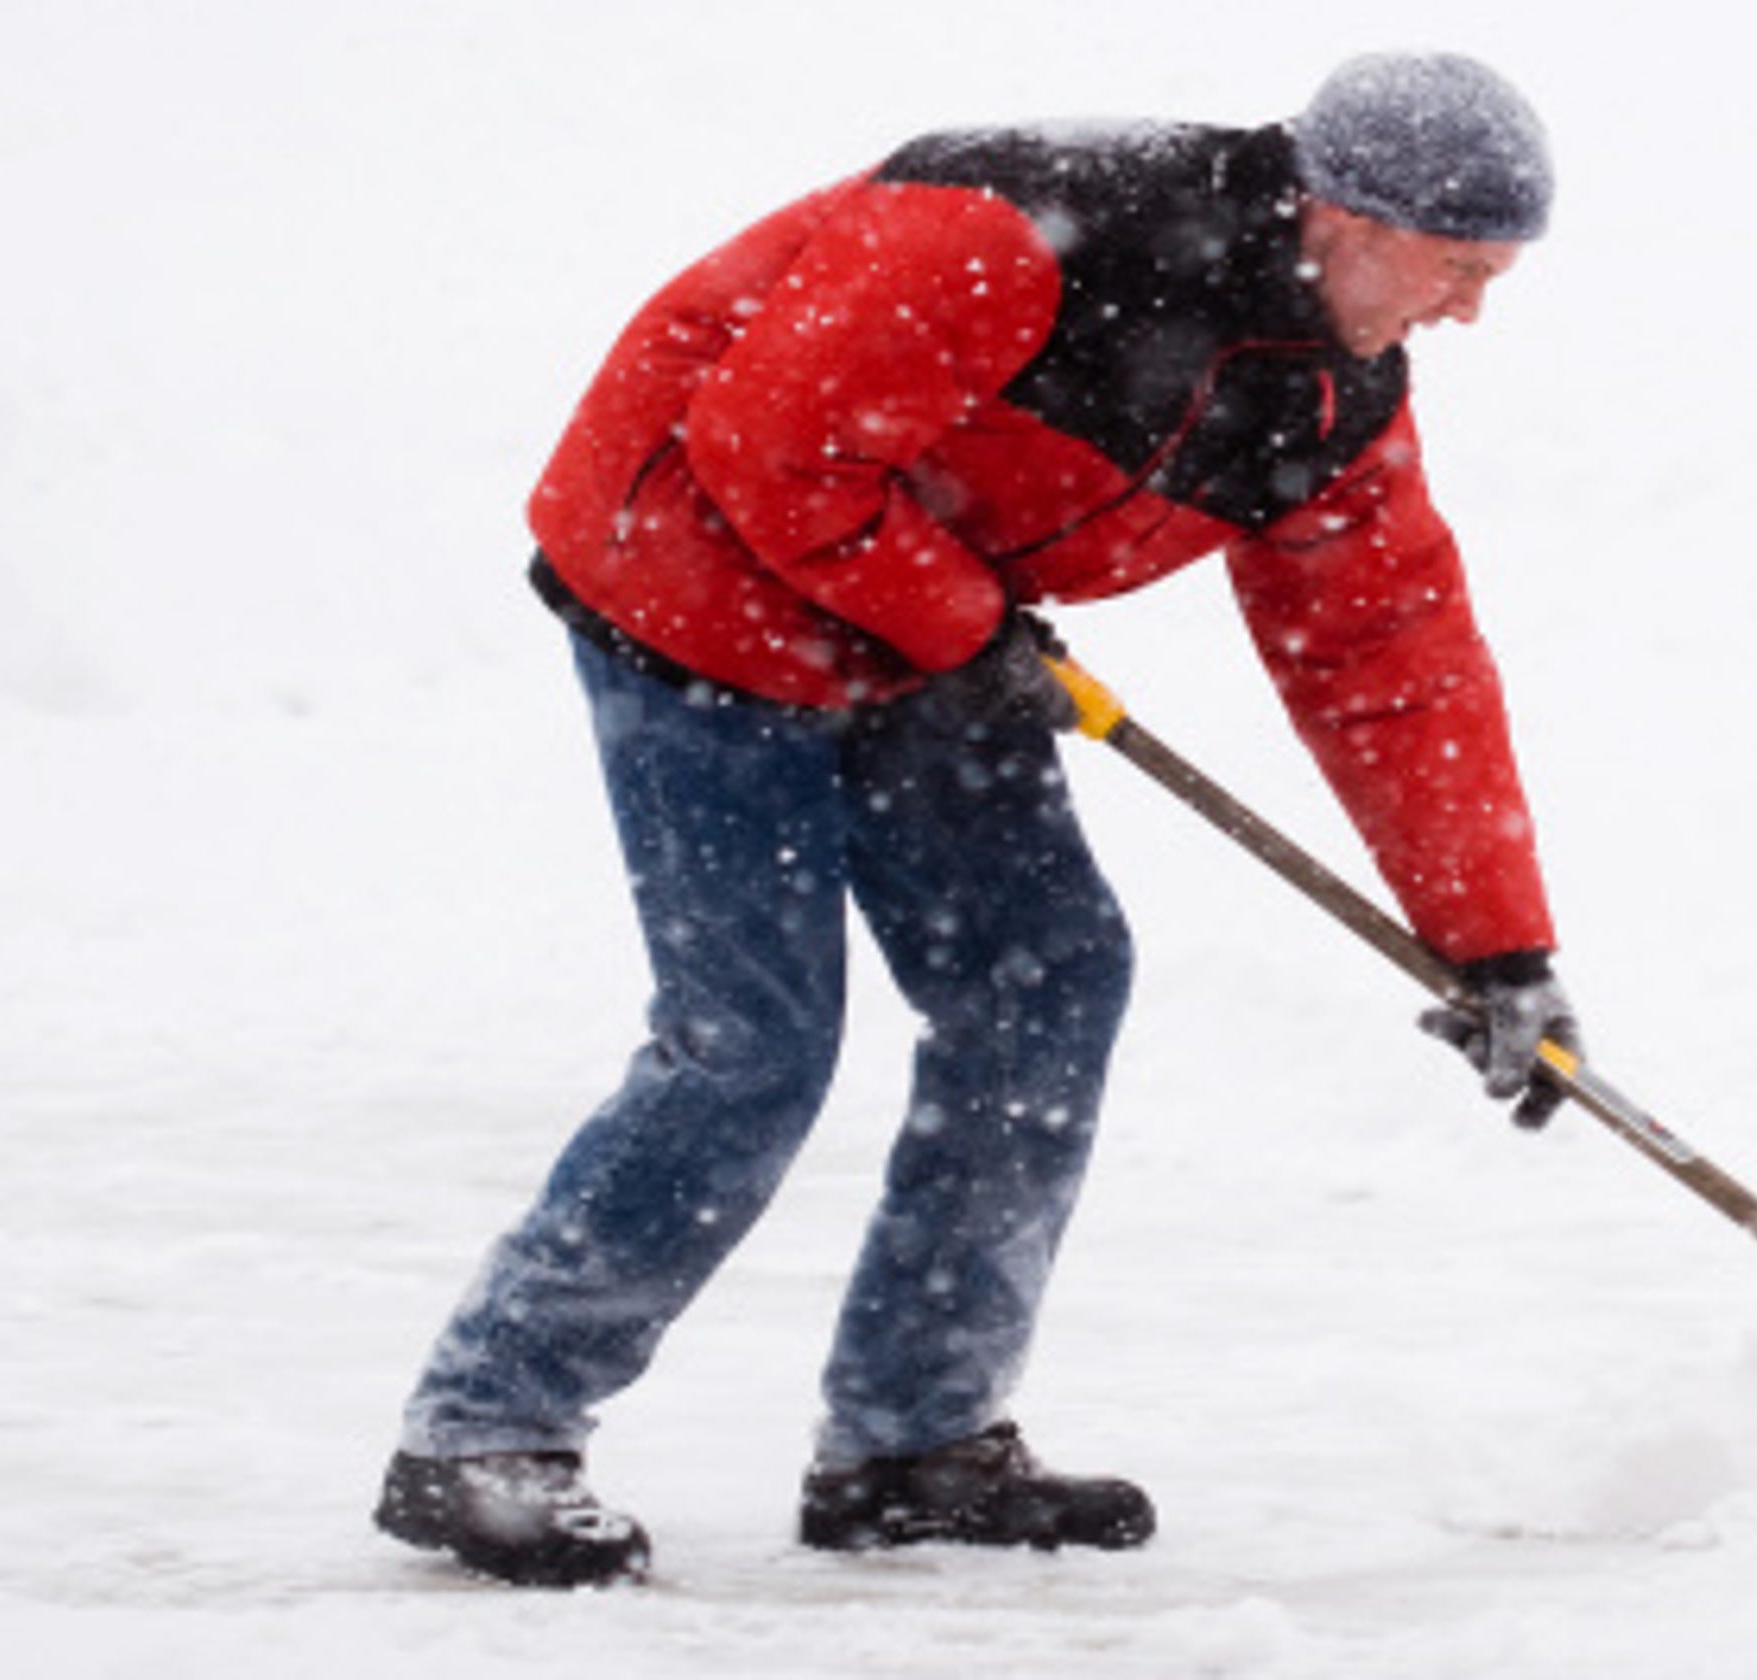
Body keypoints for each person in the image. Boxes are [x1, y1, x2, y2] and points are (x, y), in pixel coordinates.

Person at [375, 52, 1583, 1589]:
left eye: (1497, 278)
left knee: (1046, 981)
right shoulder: (1024, 226)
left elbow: (1388, 663)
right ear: (1346, 212)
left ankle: (914, 1444)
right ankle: (486, 1428)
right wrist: (964, 627)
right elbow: (774, 451)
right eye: (1460, 269)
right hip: (694, 580)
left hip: (918, 601)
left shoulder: (1335, 397)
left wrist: (1499, 947)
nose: (1470, 311)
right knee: (750, 1043)